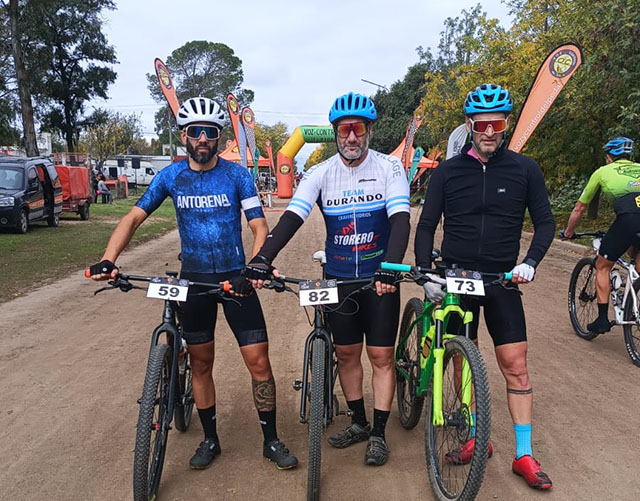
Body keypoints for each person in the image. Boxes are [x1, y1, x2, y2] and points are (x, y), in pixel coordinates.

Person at [87, 97, 297, 471]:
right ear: (184, 135)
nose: (202, 138)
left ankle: (271, 440)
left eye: (210, 133)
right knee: (201, 364)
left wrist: (257, 266)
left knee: (258, 361)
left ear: (219, 137)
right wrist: (109, 259)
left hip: (236, 278)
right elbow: (134, 218)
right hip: (194, 281)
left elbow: (258, 225)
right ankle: (210, 439)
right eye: (195, 132)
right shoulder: (171, 176)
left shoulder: (236, 175)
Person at [244, 92, 411, 466]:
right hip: (338, 277)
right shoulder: (321, 174)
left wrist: (392, 266)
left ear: (368, 131)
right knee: (347, 354)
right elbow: (292, 218)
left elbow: (401, 218)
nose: (351, 137)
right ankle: (359, 422)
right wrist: (262, 259)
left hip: (379, 278)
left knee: (381, 356)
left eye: (359, 129)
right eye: (344, 130)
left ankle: (380, 434)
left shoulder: (390, 168)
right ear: (335, 133)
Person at [415, 83, 555, 490]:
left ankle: (524, 455)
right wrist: (426, 272)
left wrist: (530, 263)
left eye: (497, 123)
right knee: (462, 361)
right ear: (470, 125)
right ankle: (475, 434)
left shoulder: (525, 170)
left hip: (502, 279)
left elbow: (545, 223)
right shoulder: (447, 171)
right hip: (457, 276)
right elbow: (426, 225)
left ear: (506, 124)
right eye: (481, 124)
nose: (489, 131)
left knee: (516, 365)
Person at [561, 137, 640, 332]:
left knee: (602, 265)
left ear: (608, 157)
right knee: (637, 264)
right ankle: (632, 300)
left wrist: (568, 232)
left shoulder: (602, 172)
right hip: (634, 221)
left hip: (629, 219)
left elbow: (580, 208)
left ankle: (603, 320)